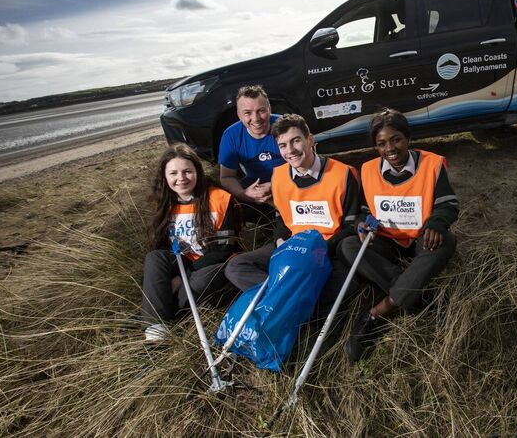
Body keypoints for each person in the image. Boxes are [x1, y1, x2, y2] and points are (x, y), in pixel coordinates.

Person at [339, 108, 459, 362]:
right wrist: (364, 225)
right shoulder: (368, 170)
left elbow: (448, 204)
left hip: (421, 240)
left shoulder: (432, 164)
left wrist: (437, 223)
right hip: (387, 241)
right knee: (348, 246)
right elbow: (366, 211)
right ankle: (418, 294)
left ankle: (378, 312)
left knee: (446, 241)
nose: (390, 148)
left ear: (408, 138)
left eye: (396, 139)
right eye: (381, 143)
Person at [224, 113, 360, 309]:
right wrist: (280, 240)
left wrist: (315, 250)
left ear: (310, 140)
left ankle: (283, 299)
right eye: (283, 145)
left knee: (346, 283)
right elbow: (282, 217)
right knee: (236, 267)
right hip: (291, 246)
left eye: (296, 141)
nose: (290, 151)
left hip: (327, 250)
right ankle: (287, 299)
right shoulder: (279, 175)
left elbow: (351, 226)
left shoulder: (343, 174)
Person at [141, 143, 243, 341]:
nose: (181, 178)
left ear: (198, 171)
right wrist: (173, 274)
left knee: (197, 283)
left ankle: (162, 311)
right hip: (182, 261)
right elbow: (162, 246)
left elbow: (224, 249)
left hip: (213, 262)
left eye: (187, 171)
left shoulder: (220, 199)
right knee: (154, 258)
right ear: (165, 176)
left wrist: (183, 277)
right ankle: (155, 332)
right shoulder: (165, 201)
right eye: (173, 173)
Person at [218, 85, 285, 224]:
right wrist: (244, 194)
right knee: (226, 202)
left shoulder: (286, 127)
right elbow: (226, 176)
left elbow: (307, 166)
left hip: (289, 185)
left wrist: (276, 185)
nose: (255, 118)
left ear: (269, 109)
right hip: (254, 187)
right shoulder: (231, 135)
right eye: (247, 113)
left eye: (261, 111)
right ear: (239, 115)